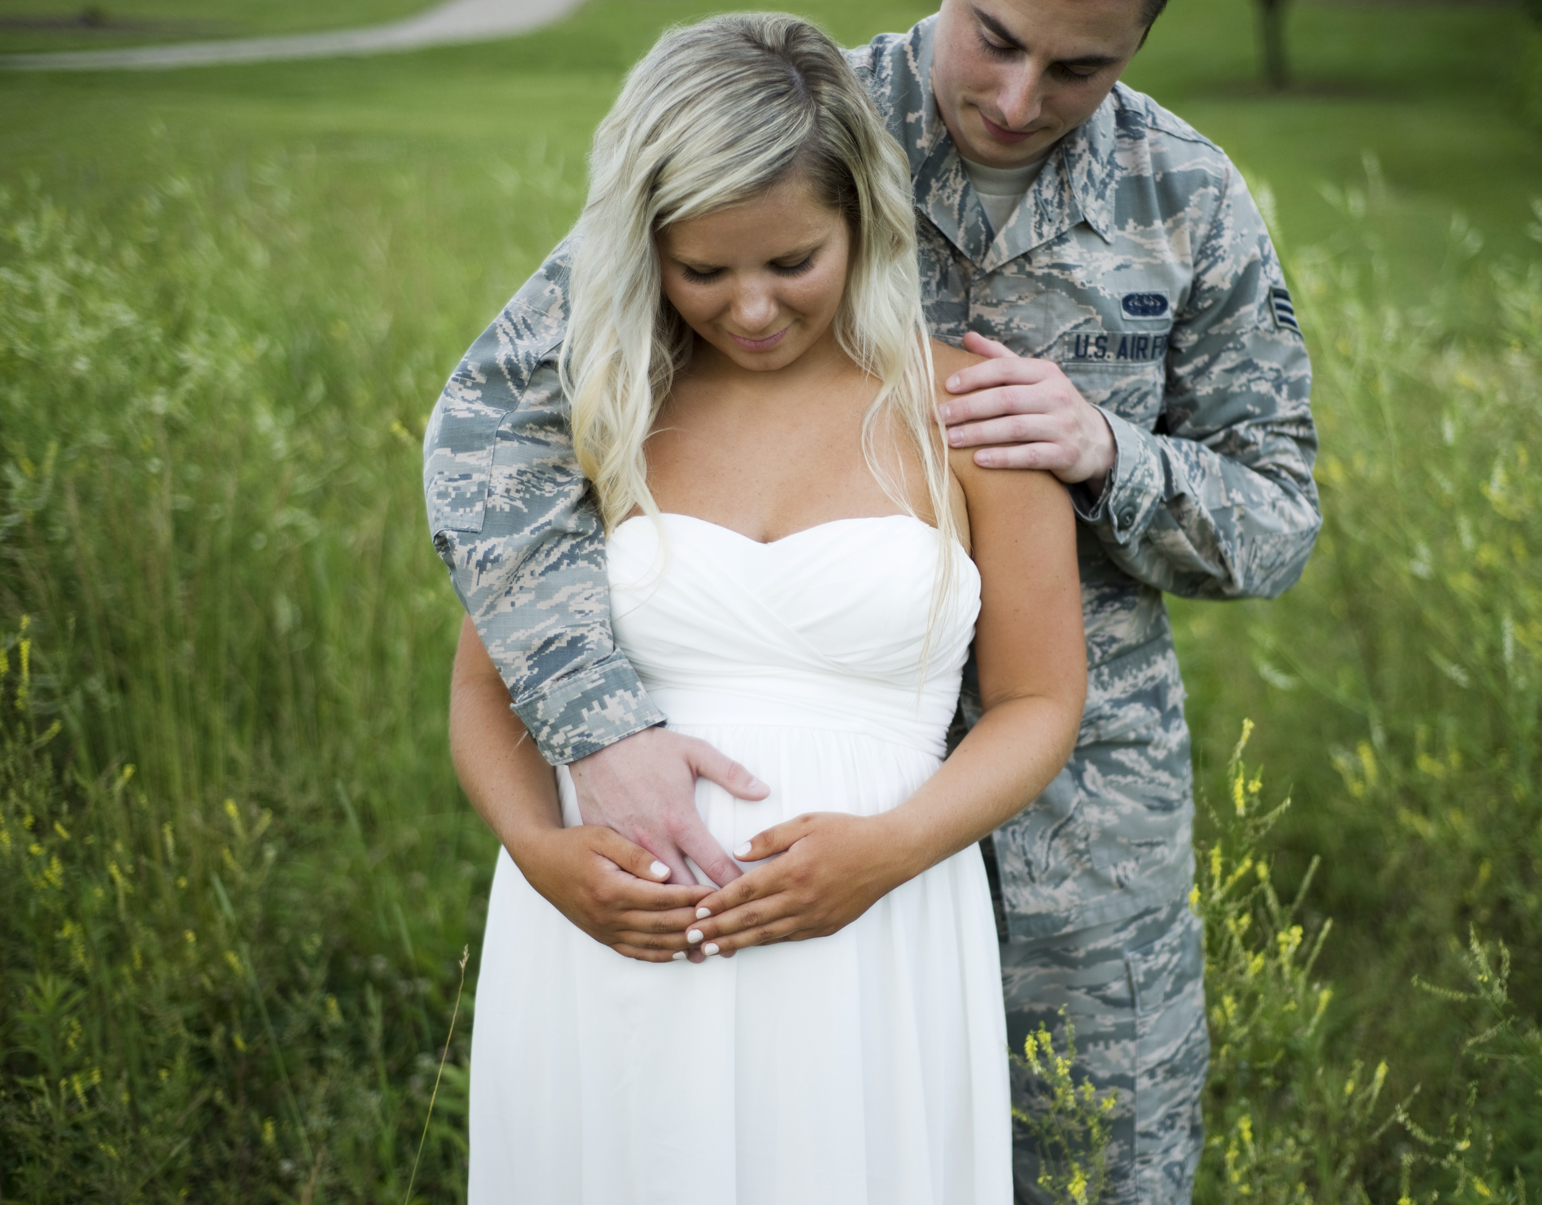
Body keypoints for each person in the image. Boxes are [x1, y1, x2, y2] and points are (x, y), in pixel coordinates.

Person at [426, 1, 1320, 1199]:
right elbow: (499, 422)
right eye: (995, 41)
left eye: (1078, 68)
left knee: (1091, 1159)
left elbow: (1275, 515)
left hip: (1082, 820)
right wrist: (595, 731)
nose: (1015, 100)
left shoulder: (1186, 199)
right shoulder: (770, 122)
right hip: (693, 876)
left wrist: (1107, 451)